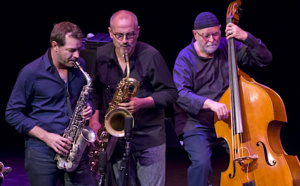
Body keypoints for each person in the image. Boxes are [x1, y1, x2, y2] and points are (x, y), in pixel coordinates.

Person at [173, 12, 272, 186]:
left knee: (248, 160)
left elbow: (265, 59)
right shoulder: (185, 57)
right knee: (201, 164)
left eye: (215, 34)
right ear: (195, 34)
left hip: (228, 120)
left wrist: (246, 37)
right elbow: (180, 93)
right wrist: (210, 104)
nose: (211, 39)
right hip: (196, 122)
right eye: (205, 36)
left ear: (221, 30)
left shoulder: (229, 46)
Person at [90, 10, 178, 186]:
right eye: (119, 35)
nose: (125, 41)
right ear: (110, 32)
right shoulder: (101, 56)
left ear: (138, 31)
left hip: (148, 137)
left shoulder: (151, 56)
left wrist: (143, 103)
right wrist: (94, 120)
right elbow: (95, 91)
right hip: (115, 138)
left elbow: (171, 93)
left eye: (130, 35)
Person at [5, 21, 95, 186]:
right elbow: (12, 113)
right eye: (71, 50)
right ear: (55, 45)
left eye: (78, 49)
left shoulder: (79, 65)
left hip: (74, 149)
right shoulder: (31, 73)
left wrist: (89, 107)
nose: (77, 55)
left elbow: (88, 96)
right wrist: (46, 137)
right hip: (42, 153)